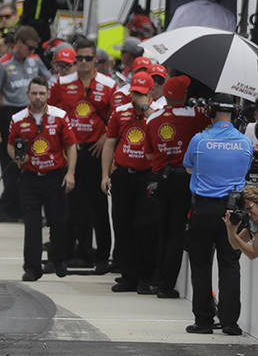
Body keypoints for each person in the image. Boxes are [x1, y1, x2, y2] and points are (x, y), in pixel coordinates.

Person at [183, 94, 253, 335]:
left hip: (203, 208)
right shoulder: (244, 142)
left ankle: (203, 321)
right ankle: (230, 323)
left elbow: (188, 166)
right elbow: (245, 171)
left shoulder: (199, 140)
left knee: (201, 264)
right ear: (233, 113)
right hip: (232, 209)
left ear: (210, 111)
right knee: (230, 264)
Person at [50, 38, 117, 271]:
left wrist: (105, 136)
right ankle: (65, 252)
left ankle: (101, 256)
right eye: (80, 58)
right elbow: (53, 113)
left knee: (98, 205)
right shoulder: (62, 83)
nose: (84, 63)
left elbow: (117, 117)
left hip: (96, 151)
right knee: (68, 204)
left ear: (95, 59)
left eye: (89, 58)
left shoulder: (109, 84)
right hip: (72, 151)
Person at [144, 75, 209, 297]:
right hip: (183, 179)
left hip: (159, 179)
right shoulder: (195, 116)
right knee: (176, 232)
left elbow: (149, 152)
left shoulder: (153, 119)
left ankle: (155, 279)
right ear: (184, 95)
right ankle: (165, 285)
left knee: (161, 230)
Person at [0, 26, 50, 223]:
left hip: (33, 115)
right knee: (12, 164)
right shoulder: (2, 64)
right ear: (18, 43)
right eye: (29, 47)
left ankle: (17, 207)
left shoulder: (35, 61)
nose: (32, 51)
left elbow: (50, 83)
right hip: (10, 115)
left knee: (32, 163)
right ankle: (10, 207)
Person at [8, 77, 77, 280]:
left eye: (41, 93)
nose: (38, 97)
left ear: (48, 94)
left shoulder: (60, 116)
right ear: (28, 94)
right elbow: (10, 145)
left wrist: (70, 173)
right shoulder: (18, 118)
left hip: (55, 177)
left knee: (58, 220)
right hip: (30, 177)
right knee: (32, 224)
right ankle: (32, 267)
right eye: (34, 93)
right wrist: (18, 157)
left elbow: (71, 146)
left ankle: (58, 260)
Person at [101, 73, 159, 292]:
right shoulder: (120, 112)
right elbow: (109, 144)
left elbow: (158, 135)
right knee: (122, 224)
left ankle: (147, 276)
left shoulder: (156, 114)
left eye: (141, 94)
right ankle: (128, 275)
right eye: (134, 93)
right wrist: (105, 175)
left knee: (145, 225)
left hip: (147, 177)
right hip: (123, 174)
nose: (137, 97)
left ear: (151, 93)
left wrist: (145, 109)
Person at [224, 185, 258, 260]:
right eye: (246, 211)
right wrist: (231, 230)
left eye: (250, 208)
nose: (249, 214)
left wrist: (234, 235)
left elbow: (253, 253)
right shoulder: (253, 222)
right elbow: (235, 245)